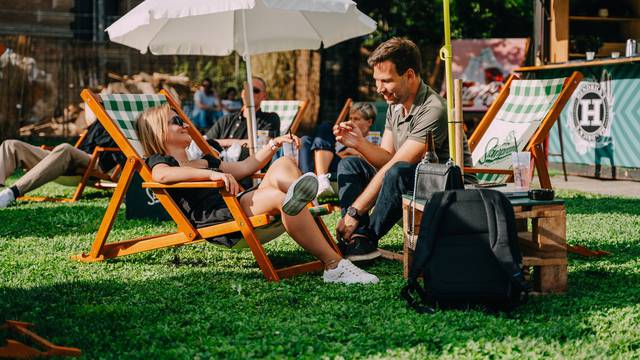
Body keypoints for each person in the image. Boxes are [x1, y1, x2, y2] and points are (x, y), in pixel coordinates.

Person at [135, 103, 379, 284]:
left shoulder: (205, 161)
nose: (184, 123)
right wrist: (211, 175)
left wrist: (273, 145)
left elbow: (245, 167)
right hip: (222, 219)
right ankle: (334, 265)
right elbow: (161, 176)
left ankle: (303, 197)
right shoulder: (161, 161)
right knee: (279, 198)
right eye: (175, 121)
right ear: (158, 132)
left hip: (237, 205)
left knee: (281, 165)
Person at [333, 37, 476, 261]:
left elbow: (398, 165)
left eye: (386, 81)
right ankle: (355, 238)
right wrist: (358, 143)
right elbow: (386, 157)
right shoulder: (396, 104)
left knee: (398, 171)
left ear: (409, 75)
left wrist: (355, 210)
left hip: (446, 187)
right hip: (409, 179)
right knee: (349, 163)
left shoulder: (433, 108)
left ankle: (365, 237)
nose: (379, 88)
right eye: (376, 81)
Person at [0, 121, 123, 208]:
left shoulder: (124, 128)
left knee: (65, 148)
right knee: (11, 145)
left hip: (95, 162)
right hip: (70, 157)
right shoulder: (99, 121)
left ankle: (12, 193)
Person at [299, 102, 376, 197]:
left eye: (356, 119)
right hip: (329, 163)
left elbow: (375, 163)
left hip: (349, 167)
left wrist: (359, 152)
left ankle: (310, 186)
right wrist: (346, 152)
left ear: (369, 122)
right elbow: (329, 154)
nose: (351, 122)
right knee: (305, 140)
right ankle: (316, 182)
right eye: (350, 118)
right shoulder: (344, 137)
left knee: (326, 127)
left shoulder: (375, 140)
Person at [205, 76, 280, 161]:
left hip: (247, 170)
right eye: (247, 89)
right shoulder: (227, 119)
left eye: (255, 90)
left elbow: (266, 146)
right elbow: (206, 141)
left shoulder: (270, 119)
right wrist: (244, 143)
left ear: (264, 96)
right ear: (242, 93)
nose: (250, 93)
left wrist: (222, 142)